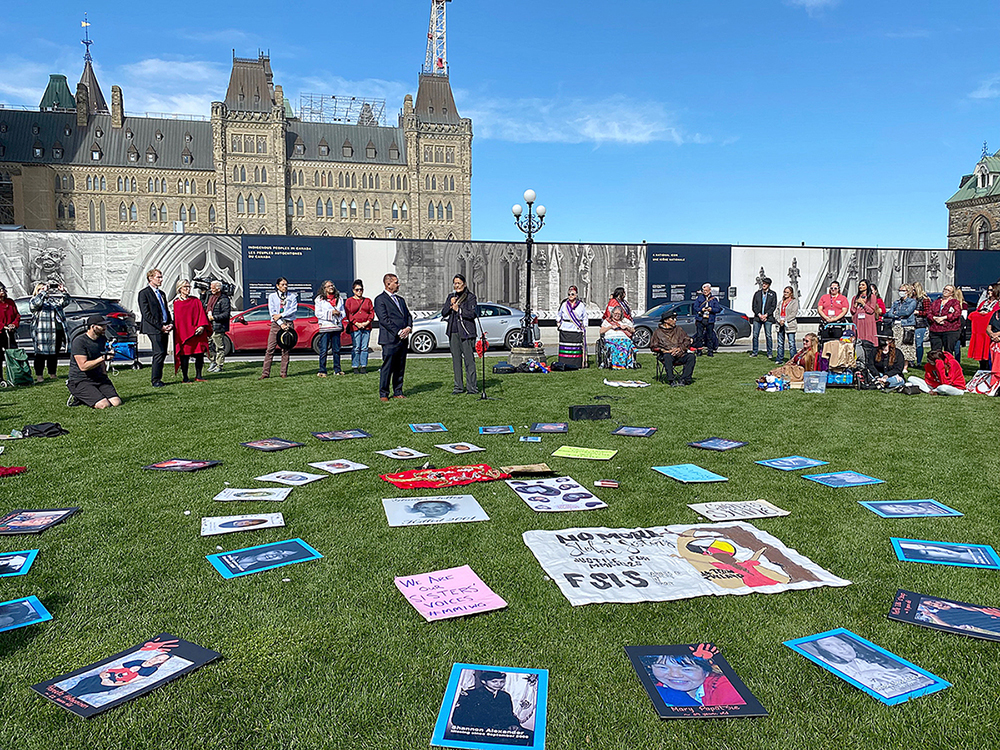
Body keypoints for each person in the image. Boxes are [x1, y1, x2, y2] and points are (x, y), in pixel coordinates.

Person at [803, 634, 934, 700]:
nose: (841, 648)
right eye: (830, 646)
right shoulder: (831, 664)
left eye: (841, 643)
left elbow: (892, 673)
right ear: (826, 652)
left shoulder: (861, 662)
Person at [446, 670, 535, 746]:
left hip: (501, 730)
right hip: (479, 732)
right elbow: (457, 719)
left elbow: (509, 715)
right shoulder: (470, 695)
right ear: (484, 681)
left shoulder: (505, 696)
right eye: (494, 681)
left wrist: (513, 725)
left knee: (531, 735)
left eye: (502, 682)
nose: (499, 684)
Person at [644, 653, 745, 708]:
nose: (674, 675)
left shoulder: (726, 689)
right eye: (662, 667)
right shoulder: (658, 688)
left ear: (707, 670)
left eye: (687, 669)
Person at [66, 315, 122, 409]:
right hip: (80, 380)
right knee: (104, 405)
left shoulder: (102, 339)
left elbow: (101, 359)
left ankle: (94, 394)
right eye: (102, 326)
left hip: (98, 378)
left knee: (116, 402)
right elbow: (83, 366)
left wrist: (104, 374)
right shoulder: (79, 341)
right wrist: (103, 358)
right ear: (93, 327)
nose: (105, 328)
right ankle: (79, 397)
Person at [374, 273, 412, 401]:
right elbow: (384, 319)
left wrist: (408, 327)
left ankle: (398, 391)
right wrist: (398, 331)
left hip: (403, 339)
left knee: (400, 366)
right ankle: (384, 393)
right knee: (387, 367)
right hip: (390, 339)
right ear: (388, 284)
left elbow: (408, 315)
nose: (398, 284)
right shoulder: (380, 299)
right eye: (396, 282)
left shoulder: (400, 300)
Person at [442, 274, 478, 394]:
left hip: (466, 332)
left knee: (469, 361)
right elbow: (444, 313)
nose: (456, 285)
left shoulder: (470, 297)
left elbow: (472, 314)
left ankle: (472, 387)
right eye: (455, 283)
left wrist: (459, 310)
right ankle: (458, 387)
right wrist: (450, 304)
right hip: (453, 332)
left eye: (458, 283)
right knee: (456, 361)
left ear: (464, 284)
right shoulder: (451, 297)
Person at [137, 269, 173, 388]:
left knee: (162, 353)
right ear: (150, 278)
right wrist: (160, 326)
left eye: (161, 277)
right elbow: (146, 314)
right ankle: (155, 379)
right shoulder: (144, 293)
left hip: (164, 326)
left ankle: (159, 378)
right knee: (159, 352)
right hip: (153, 328)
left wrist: (170, 323)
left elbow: (165, 310)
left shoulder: (161, 293)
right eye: (158, 277)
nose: (161, 279)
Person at [29, 281, 70, 382]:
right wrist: (42, 293)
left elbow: (64, 303)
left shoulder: (52, 301)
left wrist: (64, 292)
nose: (45, 290)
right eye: (41, 289)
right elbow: (35, 305)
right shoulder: (34, 300)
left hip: (55, 332)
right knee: (40, 355)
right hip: (42, 333)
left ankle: (52, 374)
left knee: (54, 354)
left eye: (45, 288)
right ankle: (39, 376)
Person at [172, 280, 210, 383]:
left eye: (189, 287)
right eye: (185, 287)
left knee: (199, 355)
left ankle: (199, 375)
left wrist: (201, 326)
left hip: (197, 333)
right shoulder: (176, 303)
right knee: (185, 356)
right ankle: (185, 377)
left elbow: (201, 314)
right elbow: (178, 321)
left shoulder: (195, 301)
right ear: (180, 289)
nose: (188, 289)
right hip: (184, 334)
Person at [260, 277, 297, 379]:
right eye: (282, 285)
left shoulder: (292, 296)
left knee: (285, 349)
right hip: (276, 324)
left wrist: (281, 315)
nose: (285, 286)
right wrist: (281, 323)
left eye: (286, 284)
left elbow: (292, 310)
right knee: (270, 349)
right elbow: (272, 312)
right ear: (277, 286)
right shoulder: (272, 296)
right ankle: (265, 373)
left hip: (288, 323)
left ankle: (283, 372)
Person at [650, 310, 695, 386]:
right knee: (667, 357)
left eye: (675, 318)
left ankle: (684, 379)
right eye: (673, 318)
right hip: (666, 355)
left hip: (680, 354)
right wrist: (664, 350)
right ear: (666, 320)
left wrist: (680, 348)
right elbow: (653, 346)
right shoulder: (658, 332)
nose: (675, 320)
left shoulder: (679, 329)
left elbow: (687, 340)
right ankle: (671, 380)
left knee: (691, 357)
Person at [314, 280, 345, 377]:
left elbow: (343, 312)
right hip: (325, 327)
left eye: (332, 285)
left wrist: (339, 314)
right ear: (324, 288)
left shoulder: (339, 298)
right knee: (323, 350)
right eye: (329, 286)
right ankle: (322, 370)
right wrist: (331, 313)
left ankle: (337, 369)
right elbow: (318, 313)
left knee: (336, 350)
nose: (331, 287)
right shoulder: (319, 299)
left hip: (336, 327)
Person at [344, 279, 374, 374]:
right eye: (357, 289)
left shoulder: (367, 301)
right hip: (355, 327)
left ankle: (364, 366)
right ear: (353, 290)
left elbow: (371, 313)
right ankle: (355, 366)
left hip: (366, 327)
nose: (359, 291)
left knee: (364, 347)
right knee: (356, 347)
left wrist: (366, 322)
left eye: (361, 289)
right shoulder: (349, 301)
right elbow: (348, 314)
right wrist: (356, 323)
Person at [556, 285, 588, 368]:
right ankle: (564, 363)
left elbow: (585, 316)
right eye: (569, 294)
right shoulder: (564, 304)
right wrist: (558, 322)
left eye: (573, 294)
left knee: (575, 347)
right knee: (565, 347)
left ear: (576, 295)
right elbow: (559, 315)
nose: (570, 296)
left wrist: (584, 326)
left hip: (576, 329)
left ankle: (576, 364)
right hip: (565, 329)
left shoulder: (581, 305)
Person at [885, 283, 917, 365]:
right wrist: (896, 314)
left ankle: (905, 365)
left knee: (906, 346)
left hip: (907, 325)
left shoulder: (912, 301)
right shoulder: (896, 302)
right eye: (900, 290)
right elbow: (890, 313)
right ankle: (897, 363)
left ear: (908, 291)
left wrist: (896, 313)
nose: (901, 292)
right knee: (896, 345)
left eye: (903, 290)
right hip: (896, 325)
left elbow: (907, 312)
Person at [968, 283, 998, 369]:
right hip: (980, 331)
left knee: (990, 354)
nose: (989, 292)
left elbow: (995, 314)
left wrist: (986, 315)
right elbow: (975, 312)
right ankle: (982, 369)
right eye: (988, 290)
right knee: (981, 354)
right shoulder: (984, 302)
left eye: (991, 290)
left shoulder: (997, 303)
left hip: (991, 331)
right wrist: (980, 314)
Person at [203, 280, 231, 373]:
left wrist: (214, 318)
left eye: (213, 287)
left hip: (218, 326)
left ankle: (219, 365)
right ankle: (213, 361)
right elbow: (203, 305)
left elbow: (226, 314)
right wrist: (203, 294)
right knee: (207, 345)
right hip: (209, 326)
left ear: (218, 288)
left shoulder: (224, 299)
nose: (211, 289)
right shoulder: (210, 296)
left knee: (219, 347)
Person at [851, 279, 879, 371]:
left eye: (863, 285)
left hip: (868, 322)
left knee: (867, 341)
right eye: (859, 285)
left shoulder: (872, 297)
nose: (861, 286)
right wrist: (855, 304)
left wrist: (863, 303)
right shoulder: (855, 297)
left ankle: (869, 363)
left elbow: (871, 310)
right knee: (858, 340)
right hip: (858, 322)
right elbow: (852, 311)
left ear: (867, 286)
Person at [928, 284, 962, 355]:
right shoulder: (936, 302)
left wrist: (944, 317)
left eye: (948, 290)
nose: (945, 291)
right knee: (935, 352)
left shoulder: (955, 302)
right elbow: (929, 313)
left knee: (948, 352)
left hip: (950, 330)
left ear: (952, 293)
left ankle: (947, 365)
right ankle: (937, 365)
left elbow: (956, 314)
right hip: (935, 330)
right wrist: (935, 318)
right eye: (945, 289)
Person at [749, 277, 776, 358]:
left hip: (768, 318)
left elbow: (773, 306)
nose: (764, 285)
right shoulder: (757, 294)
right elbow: (754, 306)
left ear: (769, 285)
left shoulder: (772, 294)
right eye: (763, 283)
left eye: (765, 284)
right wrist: (759, 315)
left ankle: (769, 352)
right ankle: (754, 352)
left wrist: (766, 315)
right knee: (755, 335)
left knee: (768, 335)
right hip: (758, 318)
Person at [693, 283, 722, 357]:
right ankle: (699, 351)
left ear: (710, 290)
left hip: (710, 319)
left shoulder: (714, 299)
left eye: (706, 290)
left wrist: (711, 309)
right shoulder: (699, 298)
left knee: (710, 336)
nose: (705, 292)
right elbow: (695, 307)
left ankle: (710, 351)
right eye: (703, 290)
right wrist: (701, 309)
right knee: (699, 336)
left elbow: (718, 309)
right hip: (701, 319)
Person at [774, 286, 798, 363]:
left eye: (787, 292)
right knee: (780, 343)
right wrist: (779, 320)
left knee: (791, 343)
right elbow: (777, 312)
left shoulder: (794, 302)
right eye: (784, 292)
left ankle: (793, 360)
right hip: (780, 324)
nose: (785, 294)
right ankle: (779, 358)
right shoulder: (781, 302)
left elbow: (793, 314)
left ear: (791, 293)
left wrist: (785, 320)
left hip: (789, 324)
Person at [913, 281, 931, 364]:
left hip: (920, 323)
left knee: (918, 343)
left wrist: (918, 312)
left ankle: (919, 361)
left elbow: (928, 312)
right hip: (912, 322)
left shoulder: (924, 299)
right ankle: (911, 360)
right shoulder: (912, 299)